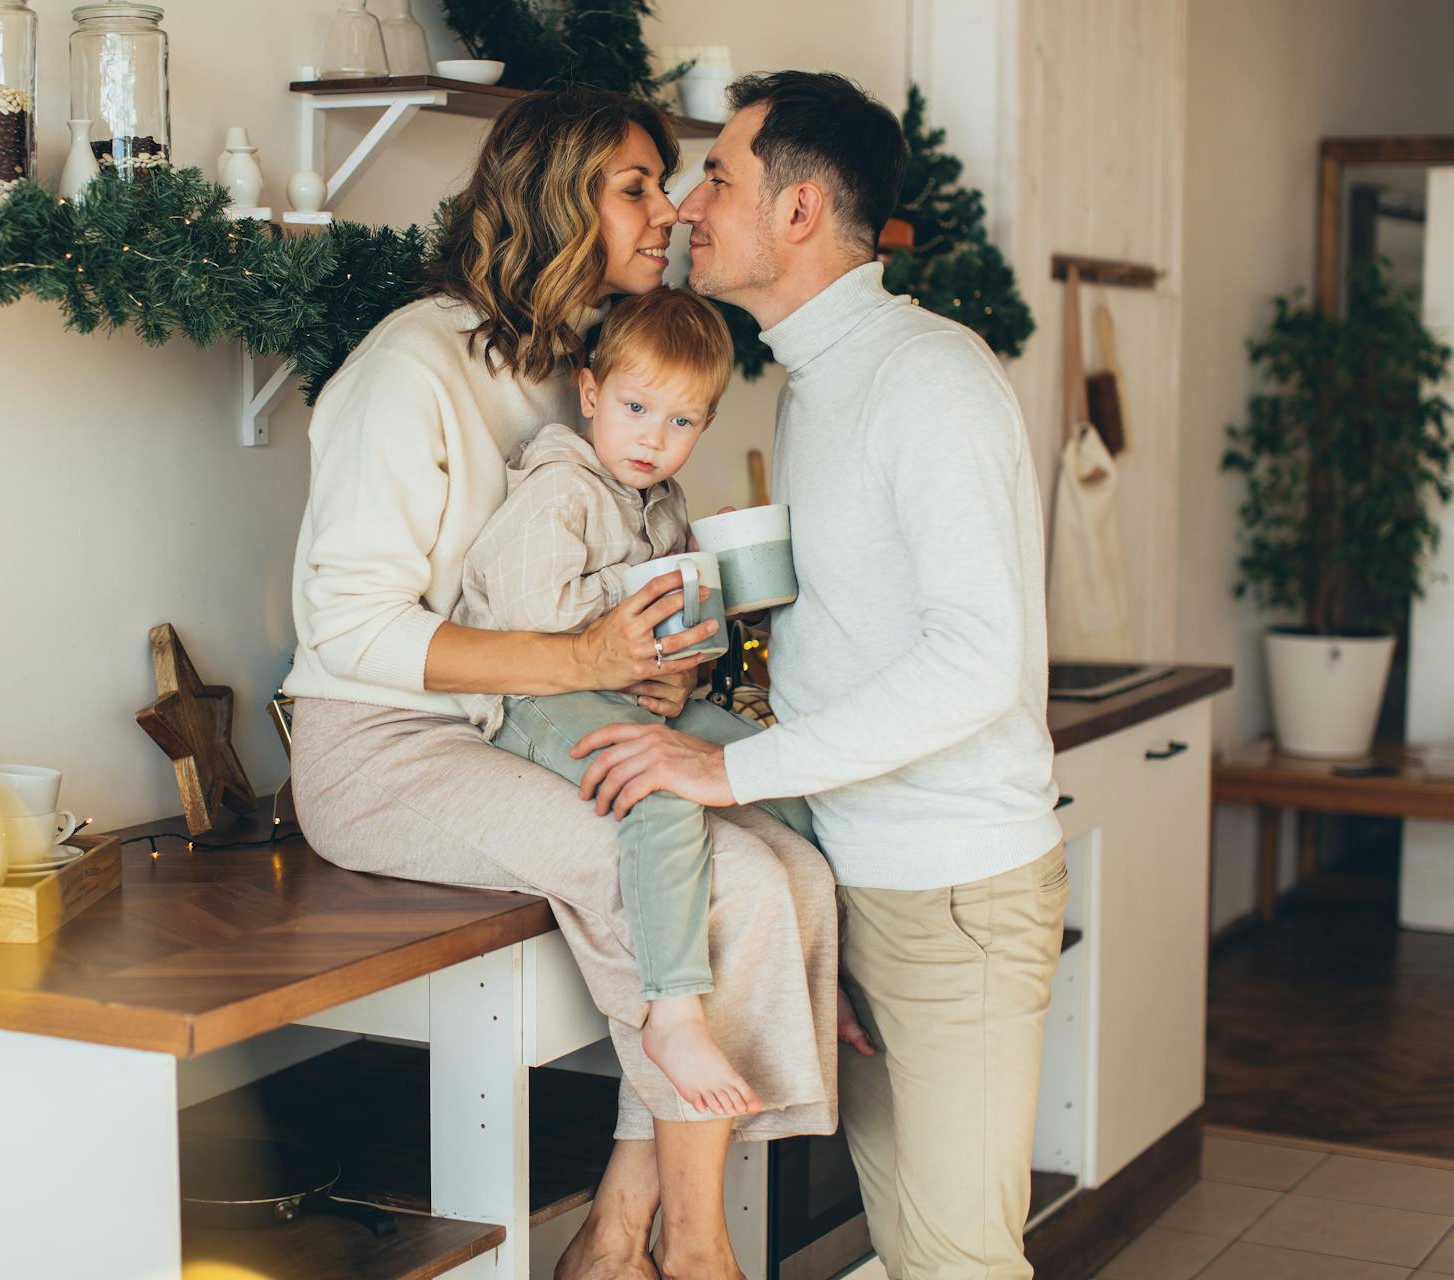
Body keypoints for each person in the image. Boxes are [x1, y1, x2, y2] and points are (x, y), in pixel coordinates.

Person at [282, 88, 837, 1280]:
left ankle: (614, 1227)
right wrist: (589, 659)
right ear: (552, 198)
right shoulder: (406, 368)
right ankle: (694, 1244)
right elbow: (348, 626)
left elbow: (587, 595)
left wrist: (658, 650)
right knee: (721, 871)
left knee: (781, 850)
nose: (672, 213)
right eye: (635, 185)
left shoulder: (577, 365)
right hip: (384, 749)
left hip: (516, 726)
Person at [573, 72, 1067, 1280]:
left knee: (956, 1261)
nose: (689, 206)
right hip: (866, 875)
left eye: (719, 177)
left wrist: (729, 767)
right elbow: (849, 633)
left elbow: (974, 662)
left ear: (797, 212)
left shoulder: (929, 379)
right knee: (911, 1251)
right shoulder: (813, 381)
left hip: (954, 895)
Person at [451, 285, 824, 1120]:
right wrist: (641, 599)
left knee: (765, 768)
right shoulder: (561, 488)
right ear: (590, 394)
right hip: (533, 694)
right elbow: (529, 614)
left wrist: (689, 653)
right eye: (635, 407)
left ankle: (832, 978)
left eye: (682, 421)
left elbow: (668, 632)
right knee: (659, 796)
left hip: (615, 684)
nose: (654, 438)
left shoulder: (662, 501)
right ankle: (673, 1010)